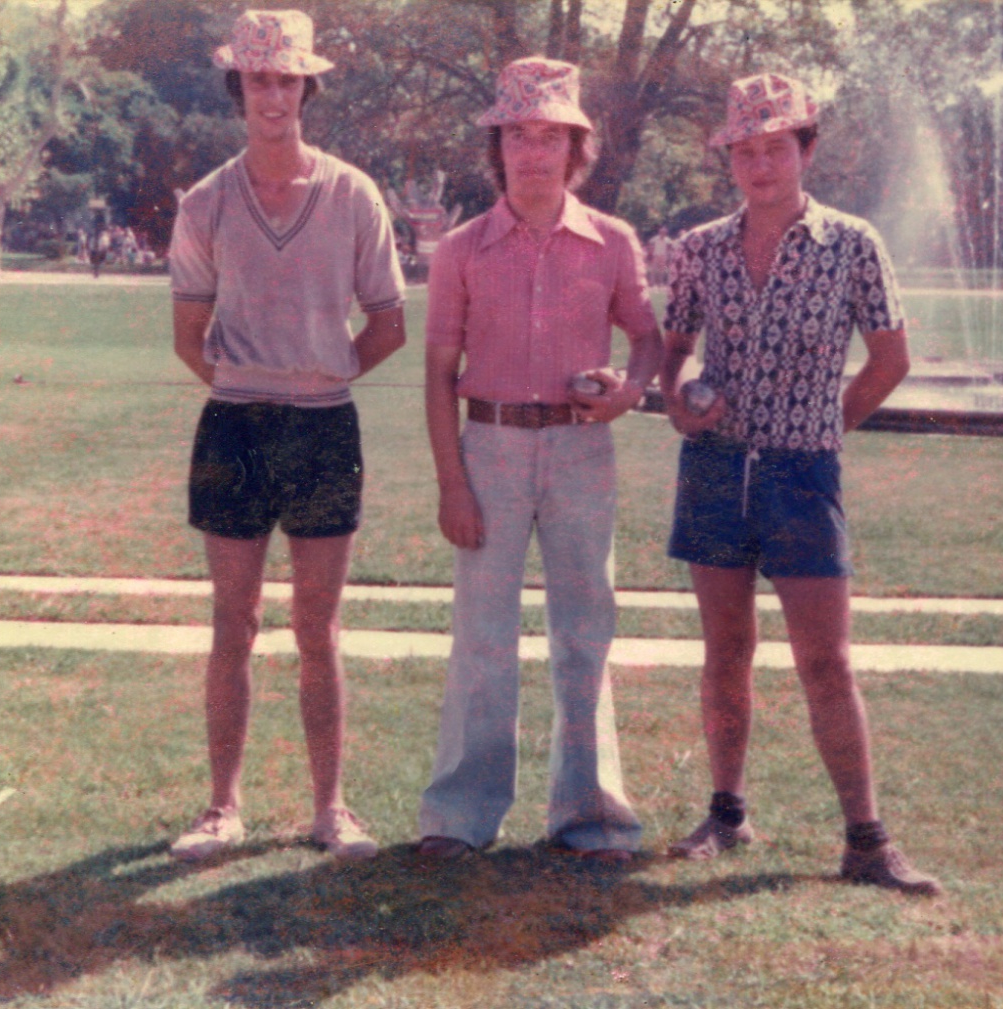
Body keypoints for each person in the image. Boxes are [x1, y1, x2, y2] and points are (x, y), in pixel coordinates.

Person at [659, 73, 941, 895]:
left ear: (804, 149)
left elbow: (890, 359)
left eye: (774, 147)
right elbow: (674, 348)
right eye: (743, 150)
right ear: (728, 160)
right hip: (714, 469)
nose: (758, 164)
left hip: (801, 472)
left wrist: (825, 427)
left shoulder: (852, 242)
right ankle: (725, 810)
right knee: (725, 651)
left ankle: (866, 838)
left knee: (825, 660)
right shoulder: (700, 247)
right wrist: (678, 400)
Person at [167, 9, 406, 863]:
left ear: (309, 85)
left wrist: (318, 374)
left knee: (318, 627)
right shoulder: (205, 200)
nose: (273, 94)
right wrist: (251, 383)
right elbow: (188, 334)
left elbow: (386, 322)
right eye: (259, 79)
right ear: (241, 87)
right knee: (233, 621)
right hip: (232, 428)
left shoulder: (352, 193)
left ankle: (329, 808)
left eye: (287, 79)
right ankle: (221, 807)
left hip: (322, 430)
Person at [416, 58, 663, 862]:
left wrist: (632, 390)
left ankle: (591, 817)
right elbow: (436, 373)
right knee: (481, 634)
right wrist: (452, 479)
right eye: (518, 135)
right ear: (498, 147)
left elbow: (649, 337)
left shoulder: (611, 241)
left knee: (584, 630)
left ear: (575, 148)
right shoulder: (460, 249)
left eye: (549, 135)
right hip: (486, 444)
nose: (532, 152)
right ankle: (459, 815)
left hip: (580, 447)